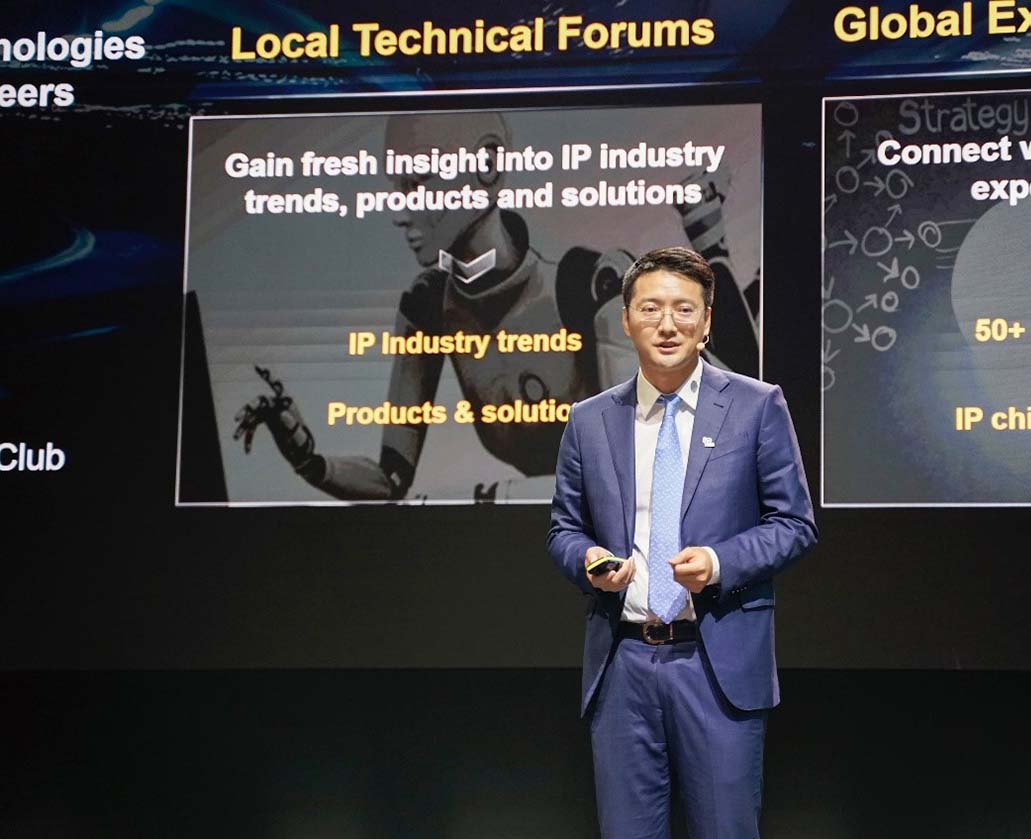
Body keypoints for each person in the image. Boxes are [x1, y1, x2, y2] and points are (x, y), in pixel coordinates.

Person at [234, 112, 760, 502]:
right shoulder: (427, 305)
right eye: (398, 187)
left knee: (744, 384)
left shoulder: (588, 283)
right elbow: (390, 480)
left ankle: (709, 240)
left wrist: (494, 499)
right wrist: (305, 455)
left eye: (420, 180)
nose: (401, 208)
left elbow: (631, 472)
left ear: (487, 165)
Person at [547, 246, 817, 838]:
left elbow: (795, 523)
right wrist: (589, 560)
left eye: (684, 309)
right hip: (623, 665)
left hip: (715, 663)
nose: (667, 324)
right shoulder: (589, 419)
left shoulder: (756, 406)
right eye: (650, 308)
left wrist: (719, 563)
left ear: (707, 320)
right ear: (626, 319)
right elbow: (564, 529)